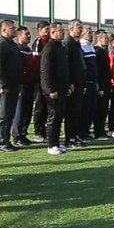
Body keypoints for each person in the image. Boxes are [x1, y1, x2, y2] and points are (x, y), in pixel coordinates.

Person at [0, 19, 24, 152]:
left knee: (10, 114)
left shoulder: (13, 45)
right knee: (3, 114)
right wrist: (3, 84)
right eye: (12, 28)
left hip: (15, 84)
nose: (15, 30)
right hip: (5, 86)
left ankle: (7, 139)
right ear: (4, 30)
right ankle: (2, 142)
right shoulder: (0, 45)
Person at [40, 22, 72, 155]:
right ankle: (51, 144)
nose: (63, 33)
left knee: (59, 116)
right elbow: (45, 71)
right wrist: (49, 89)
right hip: (53, 90)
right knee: (53, 117)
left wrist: (69, 84)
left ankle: (57, 143)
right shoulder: (49, 48)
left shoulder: (61, 47)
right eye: (60, 31)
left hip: (63, 88)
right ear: (53, 33)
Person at [12, 26, 38, 147]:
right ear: (19, 35)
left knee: (27, 111)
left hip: (30, 84)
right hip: (22, 85)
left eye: (29, 34)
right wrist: (20, 83)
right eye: (26, 34)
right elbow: (18, 68)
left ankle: (23, 133)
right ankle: (17, 136)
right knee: (20, 110)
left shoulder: (28, 49)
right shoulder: (17, 49)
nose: (29, 36)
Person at [63, 20, 87, 147]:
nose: (81, 30)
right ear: (71, 29)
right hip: (73, 84)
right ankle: (70, 138)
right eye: (79, 27)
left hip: (79, 82)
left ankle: (76, 135)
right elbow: (67, 65)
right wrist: (70, 82)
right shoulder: (68, 43)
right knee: (71, 112)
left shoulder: (76, 44)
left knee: (78, 111)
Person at [78, 26, 101, 142]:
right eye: (88, 33)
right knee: (85, 109)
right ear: (82, 34)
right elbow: (83, 67)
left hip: (93, 82)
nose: (91, 35)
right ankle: (81, 132)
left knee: (91, 108)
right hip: (86, 83)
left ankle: (86, 131)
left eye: (91, 33)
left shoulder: (90, 46)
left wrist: (95, 81)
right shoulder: (81, 46)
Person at [31, 21, 52, 142]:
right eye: (46, 29)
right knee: (40, 106)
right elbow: (35, 63)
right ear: (39, 30)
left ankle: (49, 129)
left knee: (50, 106)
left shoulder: (51, 42)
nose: (48, 32)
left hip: (50, 80)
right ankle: (39, 131)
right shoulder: (38, 43)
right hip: (40, 80)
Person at [93, 31, 113, 141]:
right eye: (106, 38)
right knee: (100, 109)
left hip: (106, 84)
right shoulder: (97, 51)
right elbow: (98, 71)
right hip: (101, 84)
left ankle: (102, 131)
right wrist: (99, 87)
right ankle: (98, 132)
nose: (108, 40)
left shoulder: (104, 51)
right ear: (100, 39)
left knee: (105, 108)